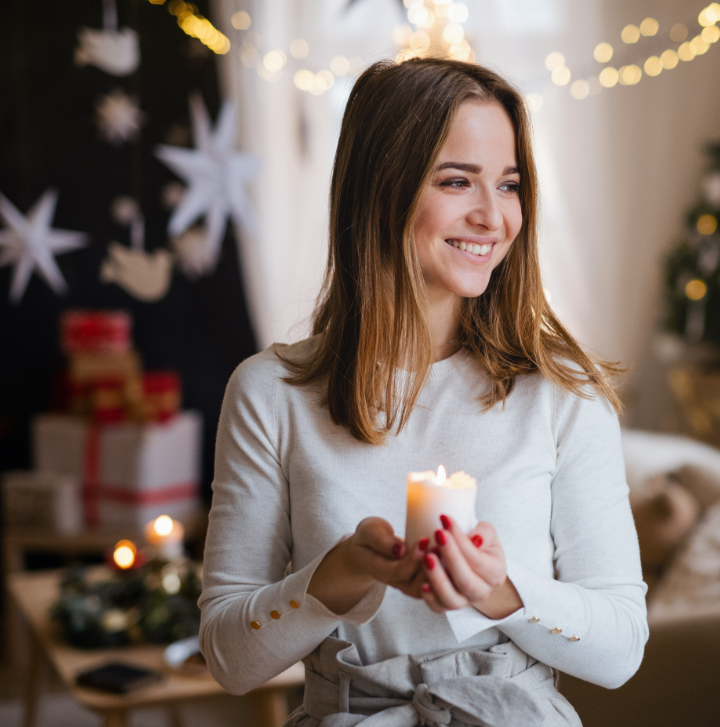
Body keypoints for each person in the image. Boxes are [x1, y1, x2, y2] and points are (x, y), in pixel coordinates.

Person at [199, 57, 648, 726]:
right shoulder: (271, 394)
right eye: (457, 180)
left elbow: (621, 649)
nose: (493, 216)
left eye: (509, 183)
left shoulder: (563, 395)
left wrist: (508, 592)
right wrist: (338, 576)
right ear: (382, 188)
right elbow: (230, 660)